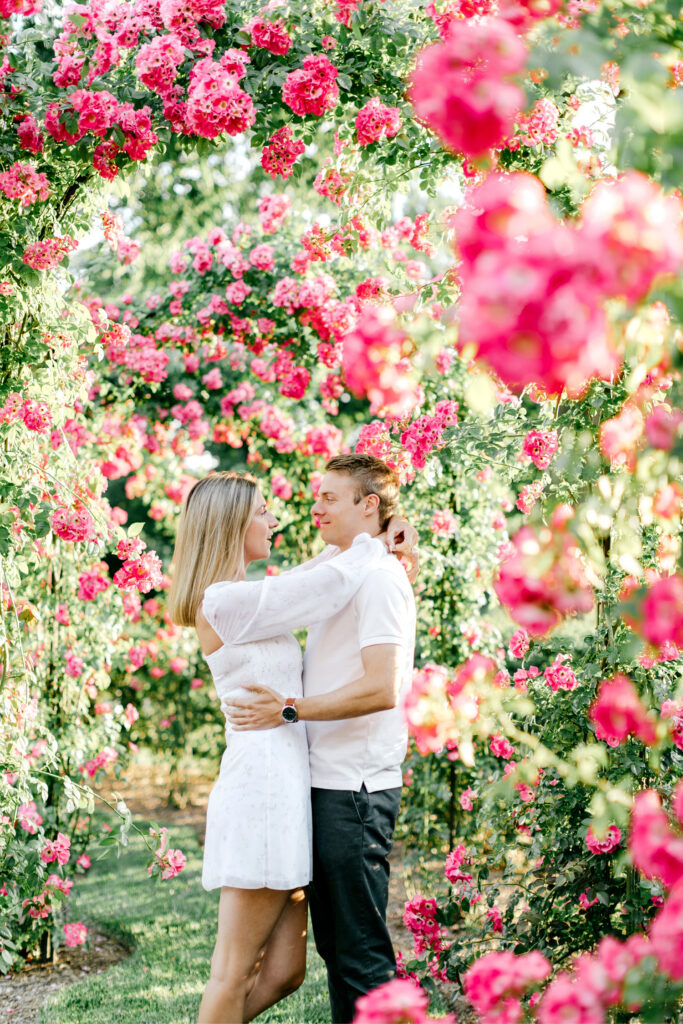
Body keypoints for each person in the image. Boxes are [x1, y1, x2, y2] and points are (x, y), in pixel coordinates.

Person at [166, 470, 416, 1024]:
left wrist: (383, 536)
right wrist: (375, 541)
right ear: (231, 523)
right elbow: (324, 584)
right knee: (232, 972)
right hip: (261, 788)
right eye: (261, 511)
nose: (275, 520)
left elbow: (314, 575)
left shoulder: (251, 598)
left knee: (285, 971)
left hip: (291, 788)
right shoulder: (224, 602)